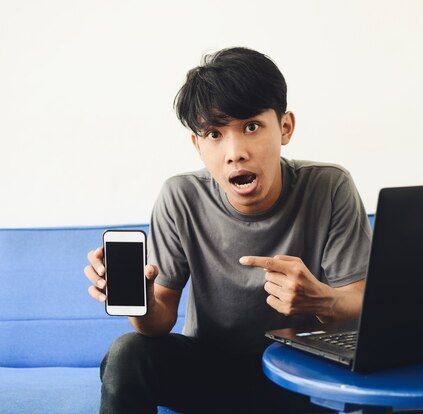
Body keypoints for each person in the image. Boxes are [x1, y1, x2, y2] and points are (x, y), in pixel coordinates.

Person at [84, 47, 372, 413]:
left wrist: (322, 300)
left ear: (285, 127)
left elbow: (361, 301)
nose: (234, 152)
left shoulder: (330, 187)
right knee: (126, 353)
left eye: (251, 127)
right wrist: (140, 302)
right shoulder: (180, 196)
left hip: (299, 372)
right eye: (214, 134)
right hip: (210, 372)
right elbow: (158, 324)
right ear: (197, 145)